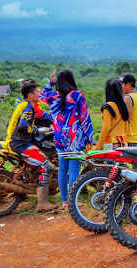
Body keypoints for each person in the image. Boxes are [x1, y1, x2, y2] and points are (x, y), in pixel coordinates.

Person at [41, 69, 94, 207]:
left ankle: (65, 200)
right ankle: (73, 201)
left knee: (63, 169)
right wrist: (89, 137)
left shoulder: (53, 96)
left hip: (59, 138)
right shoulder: (77, 95)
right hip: (74, 138)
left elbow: (42, 95)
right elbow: (84, 118)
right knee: (74, 170)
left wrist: (50, 82)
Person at [6, 79, 58, 212]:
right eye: (38, 93)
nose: (40, 95)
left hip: (16, 141)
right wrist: (34, 130)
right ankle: (42, 202)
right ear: (30, 95)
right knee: (47, 166)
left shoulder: (24, 104)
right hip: (20, 144)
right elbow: (24, 126)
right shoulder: (29, 107)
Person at [96, 78, 129, 150]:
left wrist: (98, 146)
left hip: (111, 143)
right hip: (123, 143)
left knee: (110, 161)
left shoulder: (108, 106)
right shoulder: (123, 106)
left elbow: (106, 128)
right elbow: (126, 127)